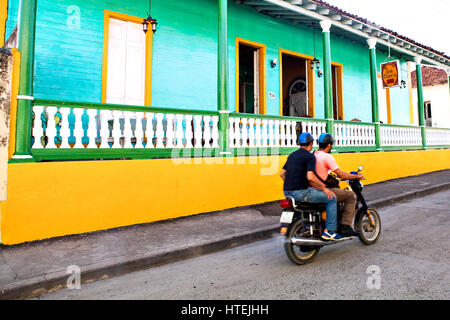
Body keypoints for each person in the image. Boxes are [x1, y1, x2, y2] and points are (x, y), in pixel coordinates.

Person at [280, 132, 342, 241]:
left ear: (299, 143)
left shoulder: (292, 155)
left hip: (287, 192)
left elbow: (282, 174)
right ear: (312, 143)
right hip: (301, 193)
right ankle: (329, 231)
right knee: (331, 198)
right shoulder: (310, 156)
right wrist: (324, 189)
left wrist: (292, 183)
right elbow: (310, 177)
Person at [314, 133, 364, 237]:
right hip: (323, 190)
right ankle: (346, 227)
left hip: (312, 189)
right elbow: (341, 174)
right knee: (351, 196)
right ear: (329, 145)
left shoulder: (313, 154)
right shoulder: (327, 157)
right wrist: (356, 176)